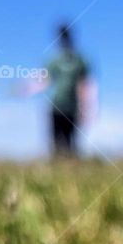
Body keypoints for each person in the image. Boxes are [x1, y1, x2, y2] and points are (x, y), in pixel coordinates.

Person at [20, 24, 95, 157]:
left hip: (73, 107)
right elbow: (43, 82)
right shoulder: (53, 61)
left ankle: (71, 169)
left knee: (71, 141)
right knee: (56, 141)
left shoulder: (80, 60)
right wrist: (24, 89)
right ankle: (57, 164)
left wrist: (87, 107)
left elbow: (85, 85)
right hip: (55, 106)